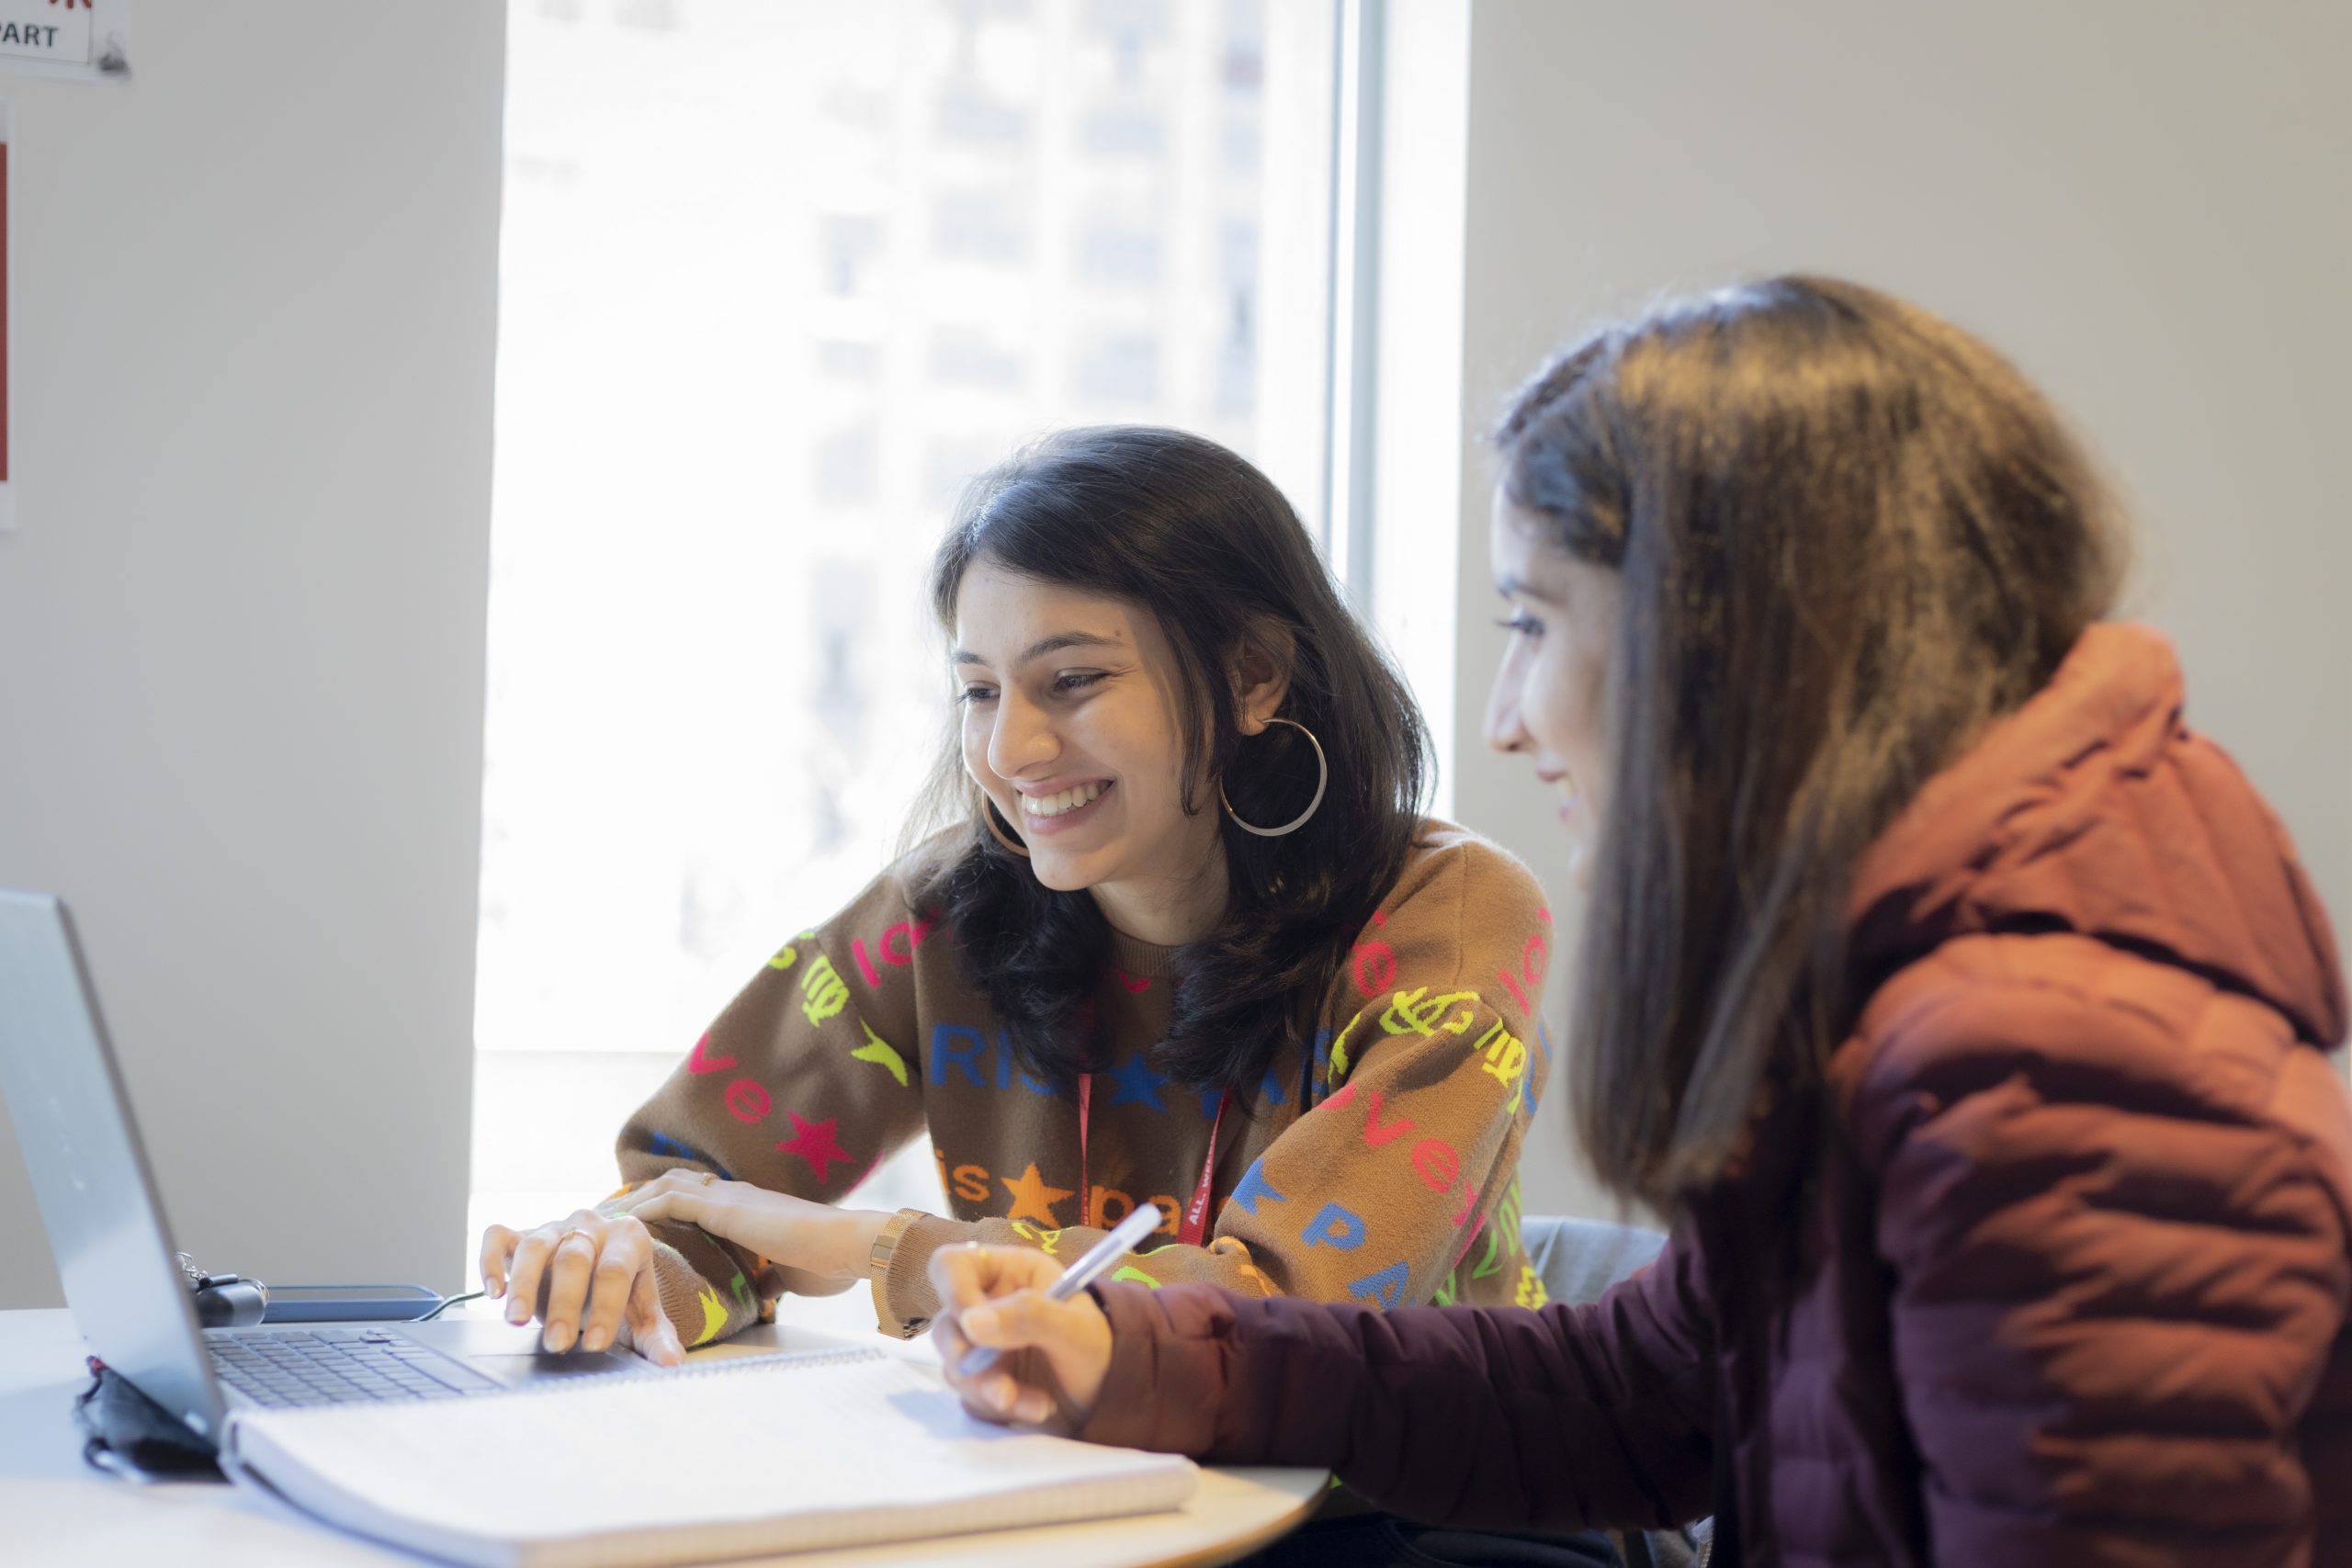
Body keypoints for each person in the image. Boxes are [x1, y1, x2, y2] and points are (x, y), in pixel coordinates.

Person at [927, 277, 2352, 1566]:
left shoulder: (2049, 1076)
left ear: (1720, 639)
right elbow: (1636, 1393)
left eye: (1534, 624)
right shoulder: (1911, 1001)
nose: (1507, 716)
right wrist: (1136, 1349)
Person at [477, 424, 1558, 1366]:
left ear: (1253, 676)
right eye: (980, 690)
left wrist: (872, 1249)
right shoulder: (941, 914)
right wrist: (614, 1268)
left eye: (1072, 681)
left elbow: (1285, 1317)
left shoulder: (1446, 916)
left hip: (1421, 1521)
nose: (1011, 748)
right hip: (1099, 1499)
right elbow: (697, 1194)